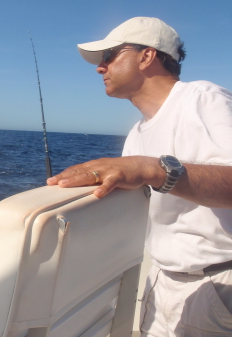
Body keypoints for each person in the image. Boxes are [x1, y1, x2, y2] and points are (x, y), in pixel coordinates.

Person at [47, 17, 232, 336]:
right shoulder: (136, 135)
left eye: (110, 56)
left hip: (214, 286)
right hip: (162, 283)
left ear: (147, 56)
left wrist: (151, 169)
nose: (100, 67)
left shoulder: (202, 98)